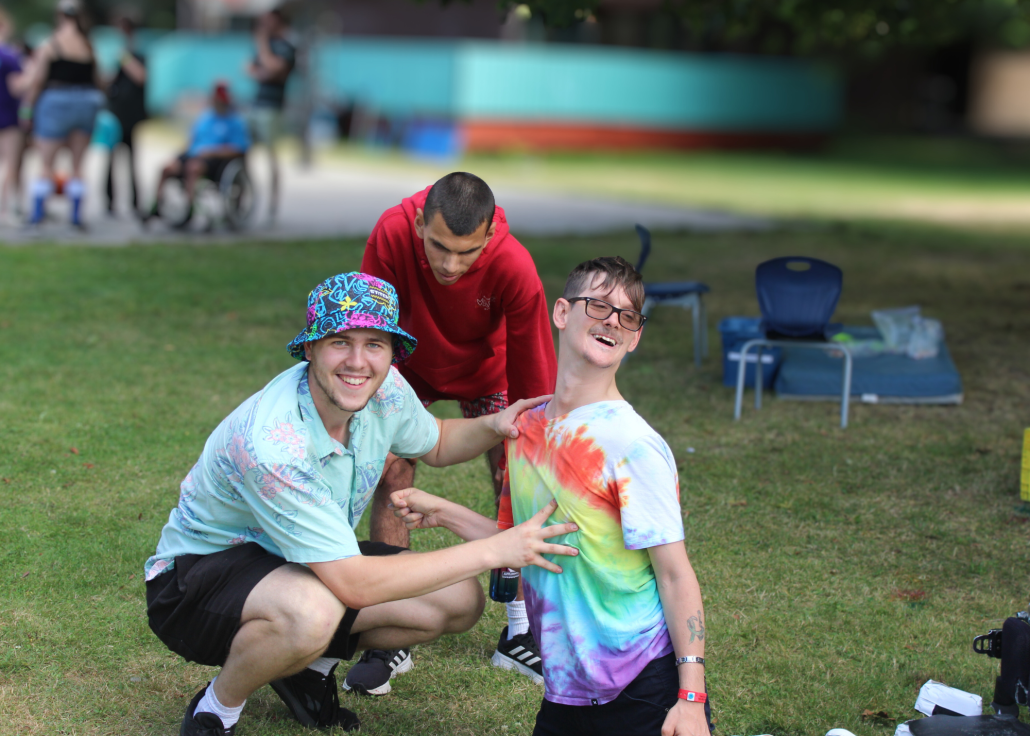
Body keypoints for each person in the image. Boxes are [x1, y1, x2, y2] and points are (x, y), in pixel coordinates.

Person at [144, 272, 578, 735]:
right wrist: (496, 549)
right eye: (340, 342)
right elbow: (353, 584)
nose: (358, 361)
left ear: (392, 352)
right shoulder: (272, 442)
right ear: (309, 349)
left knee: (458, 599)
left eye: (375, 343)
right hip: (197, 580)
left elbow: (436, 441)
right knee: (313, 611)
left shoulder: (385, 388)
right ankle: (217, 707)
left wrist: (495, 424)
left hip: (300, 560)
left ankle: (307, 671)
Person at [390, 256, 714, 736]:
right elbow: (522, 545)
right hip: (565, 689)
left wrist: (690, 698)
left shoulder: (632, 445)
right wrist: (443, 512)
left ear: (636, 336)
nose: (612, 323)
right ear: (562, 313)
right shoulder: (527, 427)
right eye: (599, 306)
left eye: (627, 316)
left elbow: (674, 574)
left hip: (642, 684)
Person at [355, 171, 557, 693]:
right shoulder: (392, 233)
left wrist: (531, 445)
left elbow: (535, 380)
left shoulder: (515, 266)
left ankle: (522, 632)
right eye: (439, 246)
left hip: (488, 371)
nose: (449, 264)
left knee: (516, 472)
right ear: (421, 221)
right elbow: (370, 328)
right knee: (391, 471)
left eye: (465, 252)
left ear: (489, 235)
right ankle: (389, 629)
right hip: (408, 367)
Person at [18, 0, 103, 230]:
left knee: (46, 163)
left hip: (56, 101)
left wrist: (26, 109)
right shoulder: (88, 45)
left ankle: (37, 215)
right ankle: (75, 216)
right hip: (87, 103)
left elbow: (37, 81)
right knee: (78, 165)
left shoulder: (51, 44)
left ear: (59, 17)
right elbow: (100, 81)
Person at [143, 82, 249, 224]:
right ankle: (157, 205)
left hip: (215, 160)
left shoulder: (235, 121)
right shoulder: (205, 117)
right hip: (194, 153)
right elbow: (193, 139)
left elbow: (239, 149)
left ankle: (189, 208)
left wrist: (213, 152)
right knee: (167, 168)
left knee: (192, 168)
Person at [245, 7, 294, 224]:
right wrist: (263, 68)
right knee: (242, 152)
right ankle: (242, 199)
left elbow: (274, 69)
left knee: (271, 158)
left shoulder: (286, 47)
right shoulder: (269, 47)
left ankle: (272, 208)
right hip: (255, 105)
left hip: (273, 108)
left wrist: (262, 47)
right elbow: (249, 69)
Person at [104, 15, 146, 218]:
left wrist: (124, 57)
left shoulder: (137, 56)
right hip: (115, 114)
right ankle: (110, 201)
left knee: (131, 160)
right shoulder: (118, 58)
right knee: (110, 160)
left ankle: (136, 202)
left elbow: (140, 77)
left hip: (131, 117)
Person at [0, 7, 25, 224]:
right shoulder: (9, 55)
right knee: (11, 164)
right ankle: (6, 210)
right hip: (8, 115)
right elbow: (17, 87)